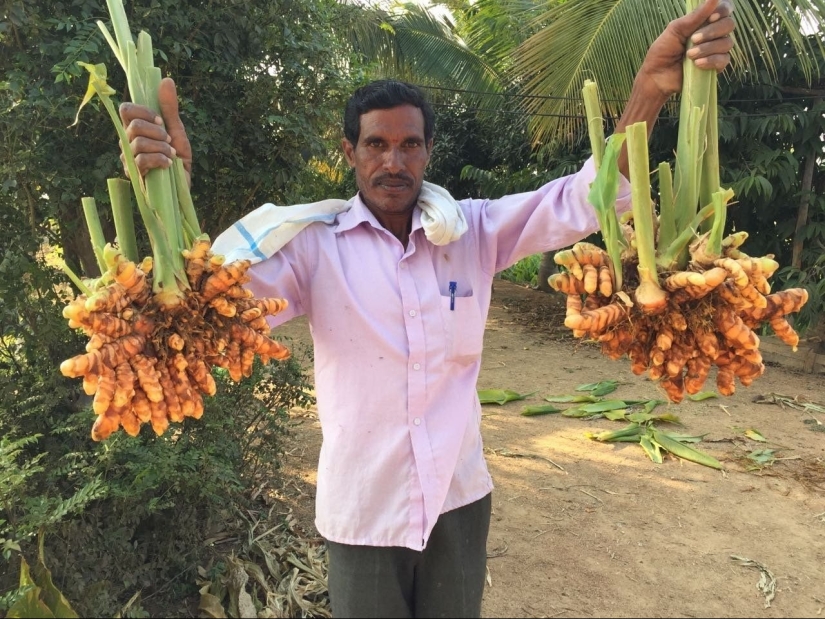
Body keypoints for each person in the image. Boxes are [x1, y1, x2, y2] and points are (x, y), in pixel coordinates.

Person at [120, 2, 735, 616]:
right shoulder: (312, 248)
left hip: (458, 499)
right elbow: (209, 310)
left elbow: (583, 196)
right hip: (364, 510)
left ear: (429, 151)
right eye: (376, 144)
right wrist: (173, 187)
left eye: (409, 144)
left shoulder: (472, 231)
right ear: (349, 151)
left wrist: (649, 90)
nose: (393, 161)